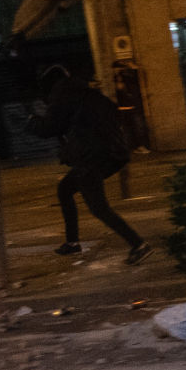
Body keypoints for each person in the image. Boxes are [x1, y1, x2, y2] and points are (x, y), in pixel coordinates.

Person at [25, 65, 152, 265]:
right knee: (65, 189)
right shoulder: (85, 92)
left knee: (99, 208)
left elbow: (49, 127)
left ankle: (138, 244)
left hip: (90, 157)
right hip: (109, 153)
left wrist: (32, 122)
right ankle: (72, 242)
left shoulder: (62, 95)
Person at [110, 58, 151, 153]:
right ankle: (134, 147)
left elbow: (135, 82)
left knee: (138, 127)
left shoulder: (126, 76)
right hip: (122, 107)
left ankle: (141, 146)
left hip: (131, 106)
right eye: (116, 68)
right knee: (128, 129)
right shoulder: (113, 79)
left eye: (120, 68)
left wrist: (134, 69)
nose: (118, 70)